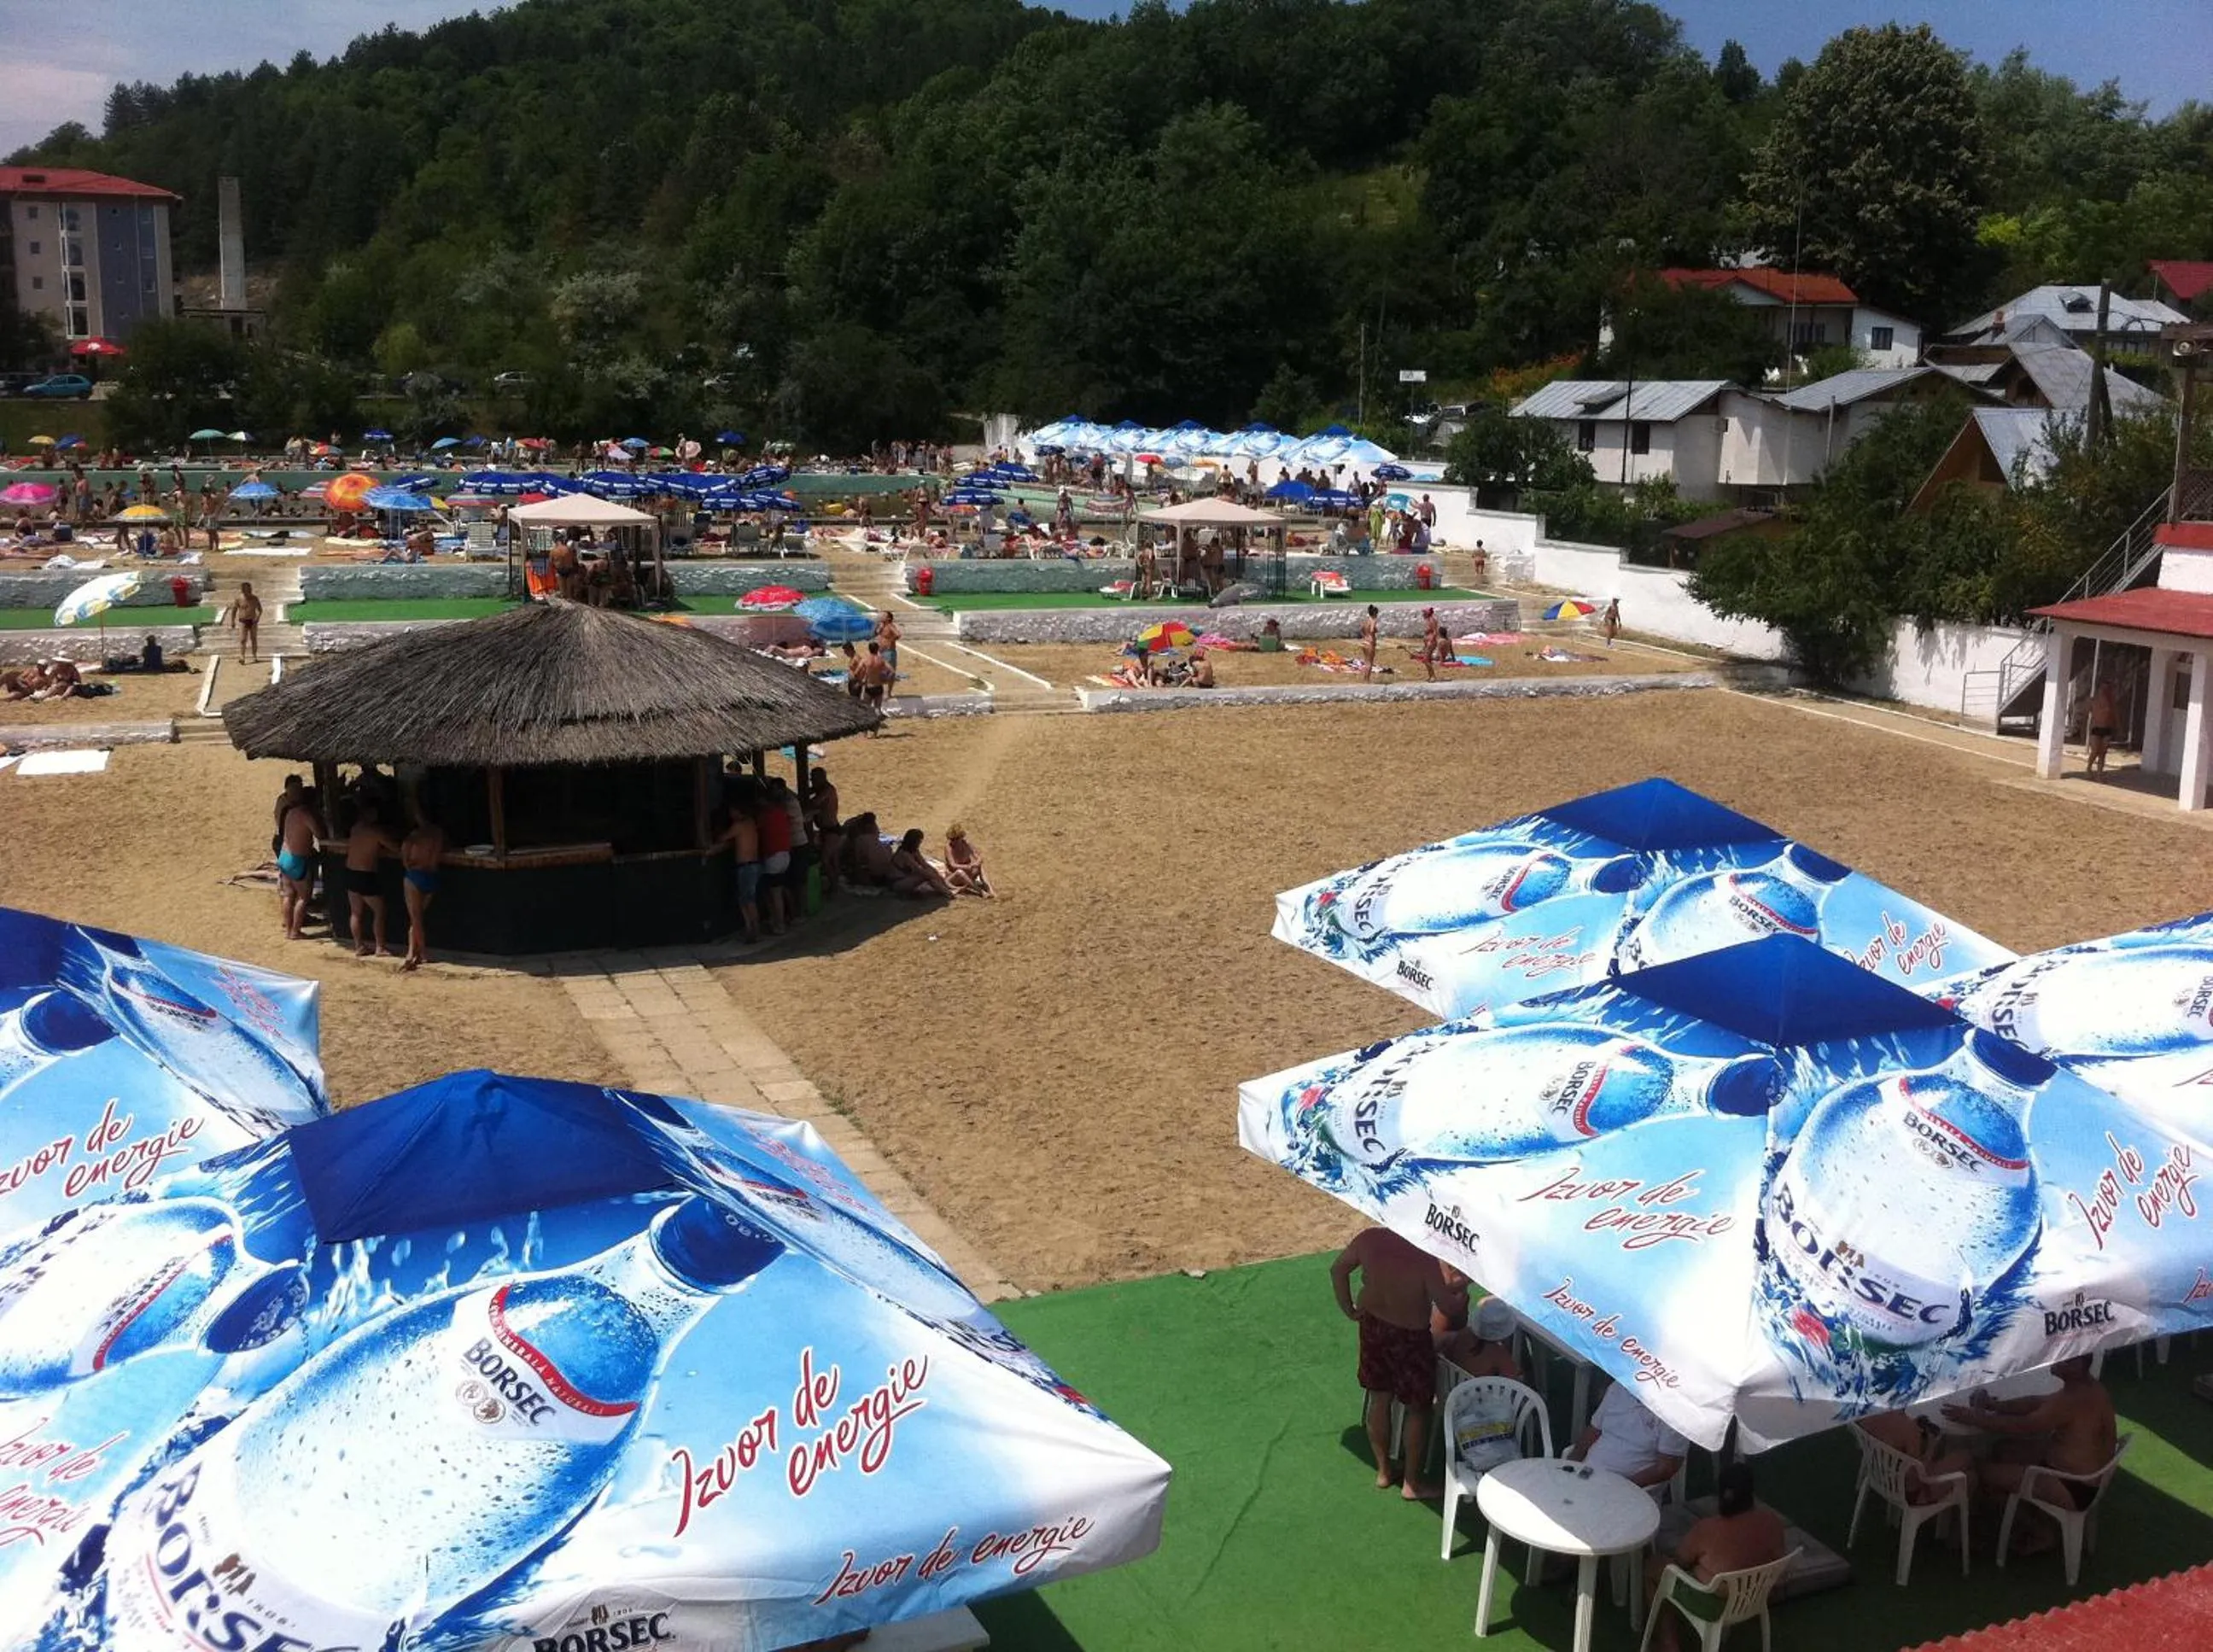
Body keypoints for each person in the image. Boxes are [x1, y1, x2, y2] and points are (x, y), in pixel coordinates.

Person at [1330, 1227, 1456, 1499]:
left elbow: (1337, 1270)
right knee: (1418, 1408)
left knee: (1379, 1398)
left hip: (1374, 1326)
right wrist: (1457, 1284)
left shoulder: (1369, 1238)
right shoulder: (1424, 1258)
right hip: (1410, 1336)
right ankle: (1413, 1482)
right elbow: (1448, 1305)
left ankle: (1384, 1470)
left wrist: (1349, 1308)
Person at [1941, 1355, 2117, 1538]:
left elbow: (2022, 1426)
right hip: (2082, 1478)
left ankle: (2036, 1531)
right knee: (2002, 1449)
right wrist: (1995, 1405)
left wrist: (1974, 1418)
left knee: (1979, 1472)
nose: (2054, 1358)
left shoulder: (2072, 1400)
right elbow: (2037, 1403)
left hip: (2070, 1486)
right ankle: (2031, 1521)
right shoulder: (2087, 1387)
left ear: (2075, 1367)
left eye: (2063, 1356)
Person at [1642, 1462, 1789, 1652]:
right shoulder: (1772, 1522)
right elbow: (1779, 1558)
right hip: (1755, 1597)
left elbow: (1680, 1562)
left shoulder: (1708, 1529)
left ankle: (1668, 1643)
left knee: (1654, 1566)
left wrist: (1698, 1568)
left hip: (1714, 1604)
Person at [1567, 1381, 1688, 1491]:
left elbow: (1666, 1468)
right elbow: (1593, 1430)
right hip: (1586, 1474)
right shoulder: (1619, 1387)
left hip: (1627, 1488)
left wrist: (1622, 1488)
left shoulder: (1675, 1411)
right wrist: (1569, 1465)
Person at [344, 799, 401, 958]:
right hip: (365, 875)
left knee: (355, 912)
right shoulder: (375, 831)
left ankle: (359, 946)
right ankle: (380, 947)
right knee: (380, 910)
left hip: (350, 872)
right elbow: (395, 847)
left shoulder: (355, 829)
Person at [399, 813, 447, 972]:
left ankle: (421, 952)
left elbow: (405, 859)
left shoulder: (414, 836)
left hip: (415, 876)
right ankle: (413, 952)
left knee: (416, 918)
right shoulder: (438, 834)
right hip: (432, 876)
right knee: (417, 919)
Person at [276, 786, 324, 942]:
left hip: (284, 855)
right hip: (297, 859)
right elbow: (320, 834)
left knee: (289, 895)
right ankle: (295, 931)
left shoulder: (291, 812)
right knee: (303, 897)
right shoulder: (306, 814)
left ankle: (288, 930)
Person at [1439, 1294, 1521, 1382]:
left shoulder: (1460, 1335)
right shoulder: (1499, 1355)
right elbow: (1513, 1380)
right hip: (1478, 1393)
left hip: (1453, 1386)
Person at [755, 785, 793, 933]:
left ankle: (779, 925)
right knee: (779, 890)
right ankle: (781, 920)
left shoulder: (766, 815)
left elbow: (757, 827)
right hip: (785, 855)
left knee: (775, 893)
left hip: (774, 857)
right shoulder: (781, 812)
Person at [726, 791, 763, 942]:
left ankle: (754, 930)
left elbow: (723, 837)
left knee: (748, 900)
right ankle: (750, 928)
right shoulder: (751, 822)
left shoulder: (739, 825)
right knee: (745, 900)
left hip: (746, 867)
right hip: (753, 865)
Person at [890, 828, 955, 898]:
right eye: (919, 841)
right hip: (898, 882)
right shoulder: (904, 854)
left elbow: (924, 864)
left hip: (907, 878)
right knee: (926, 875)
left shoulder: (914, 850)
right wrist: (932, 875)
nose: (920, 843)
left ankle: (946, 889)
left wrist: (934, 872)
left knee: (931, 871)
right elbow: (918, 869)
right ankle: (947, 892)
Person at [943, 824, 993, 896]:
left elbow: (979, 857)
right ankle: (980, 891)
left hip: (968, 873)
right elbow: (953, 865)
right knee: (960, 872)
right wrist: (968, 866)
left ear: (961, 837)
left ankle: (990, 889)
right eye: (951, 839)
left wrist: (977, 863)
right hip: (954, 876)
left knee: (980, 867)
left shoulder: (966, 844)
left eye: (956, 839)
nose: (953, 841)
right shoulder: (948, 847)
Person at [2086, 680, 2117, 775]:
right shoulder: (2093, 700)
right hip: (2096, 728)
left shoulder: (2111, 702)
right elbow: (2085, 714)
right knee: (2095, 751)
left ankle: (2099, 773)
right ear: (2099, 689)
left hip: (2107, 728)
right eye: (2103, 688)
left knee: (2103, 753)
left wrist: (2118, 727)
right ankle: (2089, 768)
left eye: (2107, 689)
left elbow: (2115, 715)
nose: (2104, 691)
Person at [233, 581, 263, 664]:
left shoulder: (255, 599)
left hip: (252, 620)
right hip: (243, 620)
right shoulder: (239, 599)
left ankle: (254, 655)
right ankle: (242, 656)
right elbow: (234, 610)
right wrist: (232, 621)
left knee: (253, 638)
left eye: (248, 590)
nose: (247, 592)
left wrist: (257, 618)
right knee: (243, 639)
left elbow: (260, 610)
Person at [874, 610, 902, 690]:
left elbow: (898, 634)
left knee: (890, 672)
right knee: (880, 671)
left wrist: (890, 640)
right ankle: (882, 690)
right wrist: (878, 626)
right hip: (881, 651)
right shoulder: (882, 626)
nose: (881, 617)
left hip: (888, 651)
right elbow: (875, 633)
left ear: (889, 618)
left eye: (884, 616)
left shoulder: (890, 626)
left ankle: (889, 692)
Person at [1419, 606, 1443, 682]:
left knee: (1426, 660)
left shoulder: (1432, 620)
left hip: (1431, 643)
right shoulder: (1428, 620)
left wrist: (1430, 641)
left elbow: (1435, 632)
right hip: (1428, 642)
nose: (1423, 614)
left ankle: (1433, 676)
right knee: (1427, 660)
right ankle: (1430, 676)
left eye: (1424, 613)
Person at [1358, 604, 1380, 678]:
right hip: (1370, 642)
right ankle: (1367, 679)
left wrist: (1365, 636)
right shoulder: (1373, 620)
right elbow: (1372, 630)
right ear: (1374, 614)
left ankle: (1365, 678)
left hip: (1365, 642)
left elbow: (1361, 630)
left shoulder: (1366, 621)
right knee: (1370, 663)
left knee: (1366, 662)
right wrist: (1375, 630)